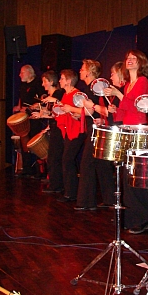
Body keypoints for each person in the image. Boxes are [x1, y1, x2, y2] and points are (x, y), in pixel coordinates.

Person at [104, 50, 148, 234]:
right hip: (128, 130)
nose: (129, 61)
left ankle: (146, 218)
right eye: (128, 58)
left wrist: (119, 96)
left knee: (135, 178)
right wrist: (114, 110)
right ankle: (136, 217)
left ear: (141, 63)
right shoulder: (128, 84)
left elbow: (136, 105)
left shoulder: (143, 82)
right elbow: (124, 109)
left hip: (138, 131)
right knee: (129, 178)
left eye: (134, 59)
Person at [74, 59, 115, 211]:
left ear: (89, 71)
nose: (80, 71)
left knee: (87, 164)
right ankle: (109, 199)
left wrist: (85, 109)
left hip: (98, 129)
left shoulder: (96, 87)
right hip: (97, 127)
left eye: (82, 68)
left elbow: (101, 109)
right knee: (101, 164)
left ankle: (86, 201)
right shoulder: (89, 88)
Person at [31, 70, 65, 194]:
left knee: (54, 157)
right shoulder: (54, 95)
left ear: (51, 82)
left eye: (44, 81)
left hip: (59, 128)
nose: (42, 84)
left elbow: (58, 113)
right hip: (55, 127)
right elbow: (52, 113)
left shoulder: (58, 94)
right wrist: (41, 114)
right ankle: (54, 181)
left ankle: (56, 185)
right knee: (53, 157)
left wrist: (43, 115)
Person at [55, 70, 86, 203]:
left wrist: (71, 110)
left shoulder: (77, 94)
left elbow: (85, 111)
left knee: (67, 159)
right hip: (69, 130)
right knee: (67, 160)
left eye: (62, 78)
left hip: (77, 130)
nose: (60, 81)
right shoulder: (66, 94)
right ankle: (70, 191)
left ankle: (71, 193)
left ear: (68, 80)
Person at [13, 64, 46, 177]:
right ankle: (27, 169)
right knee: (24, 143)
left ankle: (39, 170)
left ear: (29, 73)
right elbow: (21, 98)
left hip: (35, 117)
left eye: (22, 72)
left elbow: (43, 100)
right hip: (24, 117)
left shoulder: (38, 83)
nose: (19, 75)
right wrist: (19, 107)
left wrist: (30, 108)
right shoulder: (22, 85)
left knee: (35, 143)